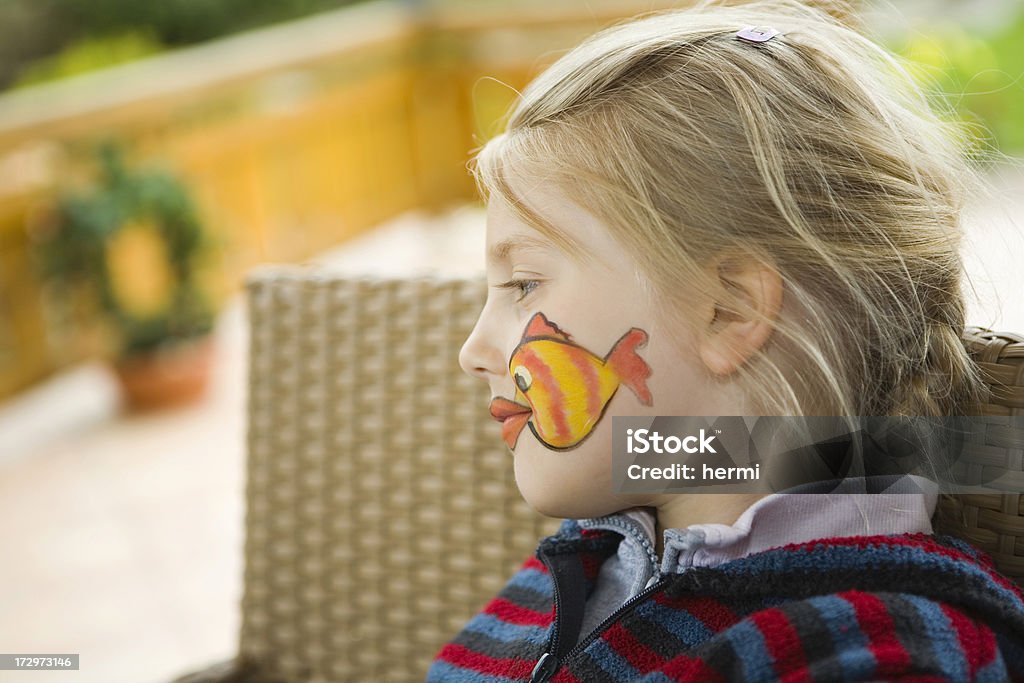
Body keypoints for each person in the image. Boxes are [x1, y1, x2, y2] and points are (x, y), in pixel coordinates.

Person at [426, 0, 1024, 680]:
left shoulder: (878, 649)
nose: (472, 350)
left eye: (525, 283)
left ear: (730, 310)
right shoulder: (576, 568)